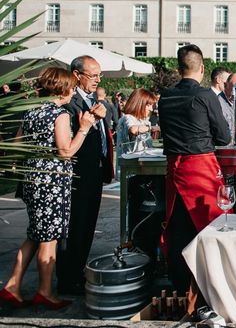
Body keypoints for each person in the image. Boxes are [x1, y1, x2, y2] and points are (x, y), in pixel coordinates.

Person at [0, 68, 95, 310]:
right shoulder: (59, 114)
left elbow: (16, 146)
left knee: (34, 235)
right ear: (62, 88)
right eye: (72, 87)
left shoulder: (31, 112)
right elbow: (66, 152)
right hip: (52, 182)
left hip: (33, 179)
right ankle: (45, 291)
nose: (73, 91)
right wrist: (83, 127)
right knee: (49, 239)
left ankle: (12, 285)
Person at [158, 44, 230, 294]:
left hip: (174, 168)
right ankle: (209, 284)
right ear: (202, 68)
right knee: (210, 225)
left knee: (177, 226)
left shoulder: (165, 96)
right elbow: (223, 136)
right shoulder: (206, 95)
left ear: (179, 69)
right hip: (200, 167)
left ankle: (180, 284)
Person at [56, 56, 112, 296]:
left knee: (88, 225)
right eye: (93, 75)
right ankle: (68, 278)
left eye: (100, 75)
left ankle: (78, 270)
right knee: (75, 227)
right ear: (77, 75)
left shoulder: (94, 101)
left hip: (95, 171)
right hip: (77, 173)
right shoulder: (70, 101)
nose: (98, 80)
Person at [115, 88, 156, 164]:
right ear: (139, 104)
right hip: (129, 168)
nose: (151, 109)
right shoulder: (127, 118)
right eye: (148, 105)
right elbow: (133, 129)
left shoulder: (144, 121)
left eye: (152, 106)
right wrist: (152, 128)